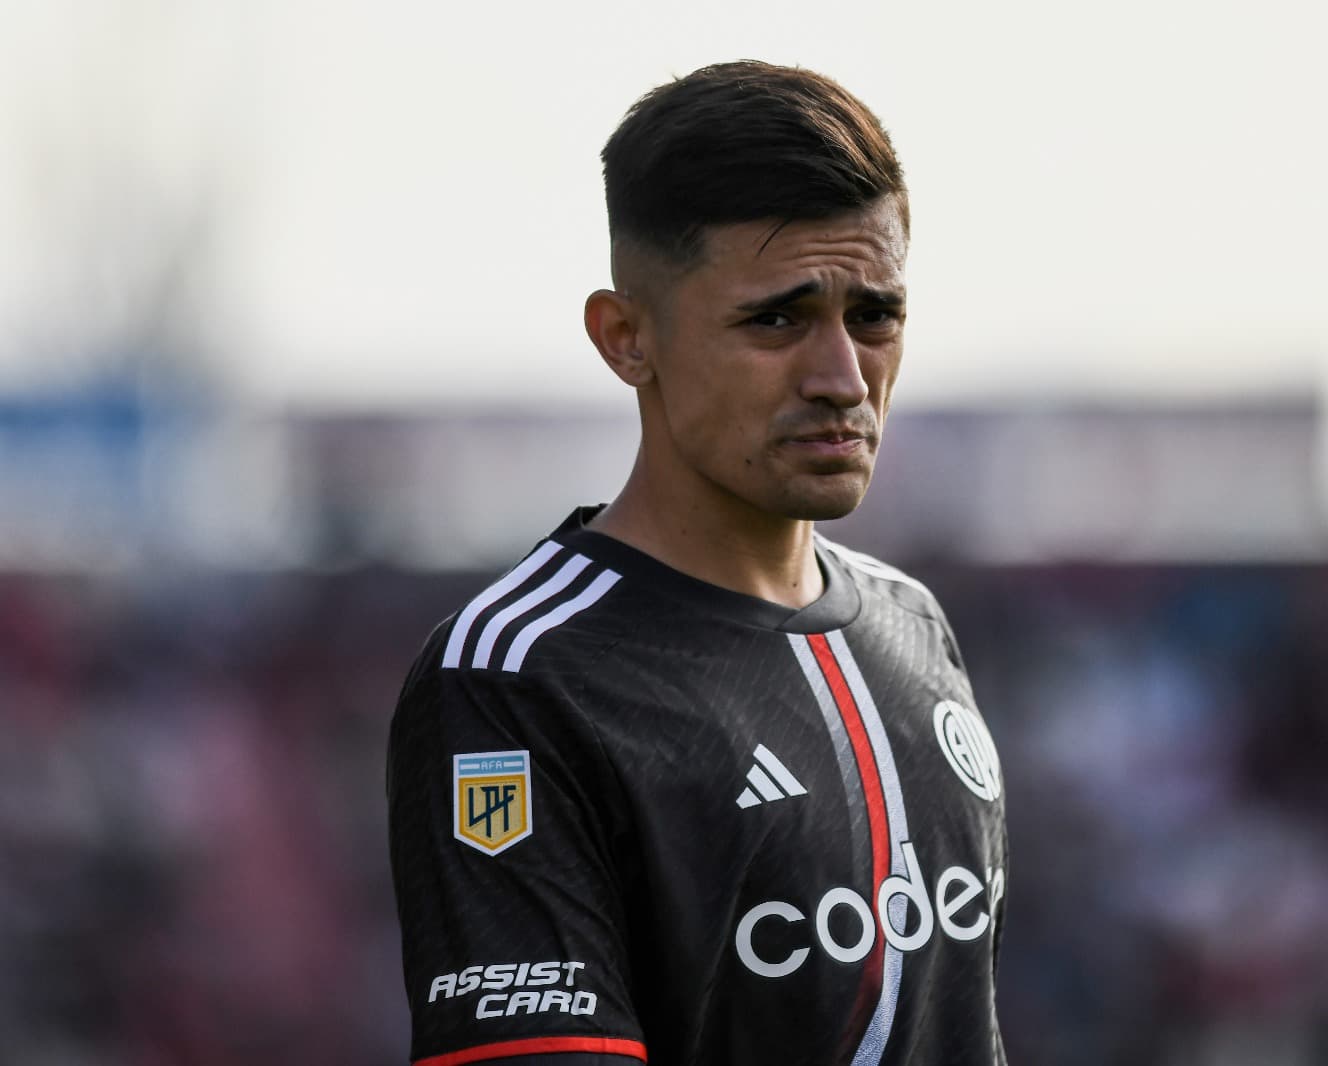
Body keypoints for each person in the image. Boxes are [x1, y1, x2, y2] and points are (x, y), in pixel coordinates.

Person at [387, 60, 1009, 1066]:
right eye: (776, 318)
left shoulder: (913, 628)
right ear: (626, 337)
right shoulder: (515, 678)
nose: (841, 377)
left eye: (874, 316)